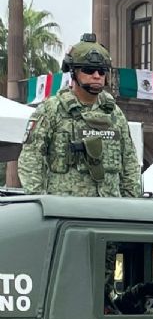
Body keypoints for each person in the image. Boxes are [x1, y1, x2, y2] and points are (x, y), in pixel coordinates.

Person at [18, 33, 141, 197]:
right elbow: (30, 159)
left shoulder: (114, 113)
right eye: (89, 70)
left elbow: (130, 162)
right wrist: (41, 203)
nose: (97, 76)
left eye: (102, 71)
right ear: (73, 72)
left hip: (111, 210)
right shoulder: (52, 110)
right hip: (67, 213)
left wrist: (130, 206)